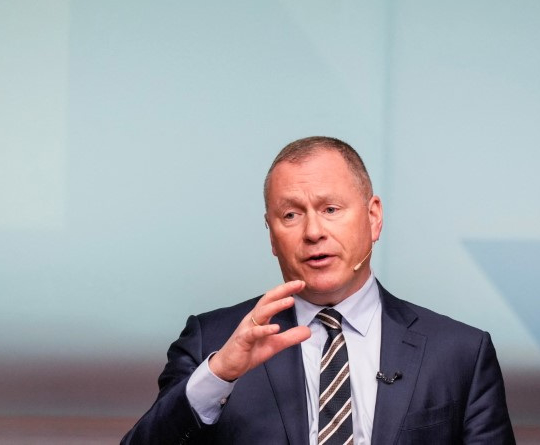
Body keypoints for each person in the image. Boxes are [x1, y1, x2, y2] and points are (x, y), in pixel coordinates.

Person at [122, 136, 515, 444]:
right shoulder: (211, 342)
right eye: (291, 215)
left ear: (373, 218)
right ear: (272, 236)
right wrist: (218, 376)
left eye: (330, 209)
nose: (313, 232)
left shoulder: (460, 353)